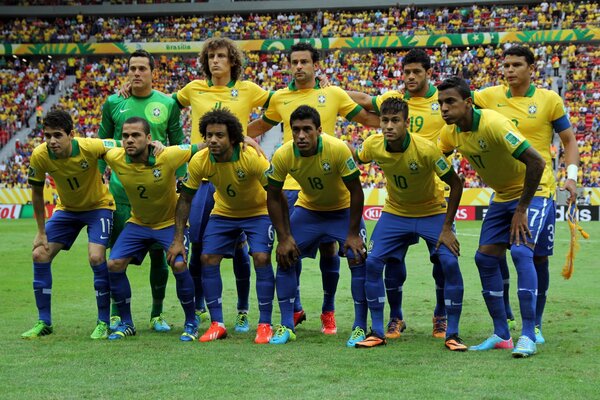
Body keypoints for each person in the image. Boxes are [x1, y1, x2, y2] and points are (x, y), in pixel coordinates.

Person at [249, 42, 379, 334]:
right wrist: (234, 135)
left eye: (304, 61)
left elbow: (364, 117)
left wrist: (395, 122)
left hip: (331, 181)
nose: (298, 66)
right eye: (293, 62)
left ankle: (328, 312)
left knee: (330, 252)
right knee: (288, 250)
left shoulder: (331, 94)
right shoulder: (280, 97)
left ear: (314, 65)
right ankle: (293, 310)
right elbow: (261, 125)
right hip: (294, 188)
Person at [473, 45, 579, 343]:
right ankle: (504, 325)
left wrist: (570, 177)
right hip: (504, 190)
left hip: (539, 190)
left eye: (516, 65)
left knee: (535, 257)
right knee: (489, 256)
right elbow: (455, 102)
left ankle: (534, 326)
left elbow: (569, 141)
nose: (509, 70)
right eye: (505, 65)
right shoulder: (487, 97)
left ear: (531, 67)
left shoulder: (549, 100)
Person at [437, 77, 547, 358]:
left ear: (468, 103)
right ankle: (502, 334)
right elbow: (434, 160)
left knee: (522, 254)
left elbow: (537, 161)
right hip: (501, 196)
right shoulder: (450, 134)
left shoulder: (493, 123)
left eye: (450, 102)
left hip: (534, 193)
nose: (444, 108)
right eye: (440, 103)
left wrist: (521, 209)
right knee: (484, 257)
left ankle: (528, 334)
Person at [348, 48, 451, 340]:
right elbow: (366, 102)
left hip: (436, 193)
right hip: (399, 199)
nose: (410, 77)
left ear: (429, 73)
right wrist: (331, 92)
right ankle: (395, 317)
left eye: (416, 72)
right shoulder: (395, 102)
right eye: (406, 72)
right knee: (391, 260)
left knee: (442, 261)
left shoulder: (442, 99)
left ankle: (441, 315)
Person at [172, 37, 272, 331]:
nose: (215, 61)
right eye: (211, 56)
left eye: (221, 56)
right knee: (201, 244)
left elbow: (279, 107)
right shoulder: (193, 88)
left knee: (242, 247)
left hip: (237, 172)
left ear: (232, 62)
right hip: (204, 175)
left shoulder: (248, 89)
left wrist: (249, 134)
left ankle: (242, 309)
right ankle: (202, 305)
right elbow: (165, 107)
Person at [168, 109, 274, 344]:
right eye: (208, 135)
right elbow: (185, 198)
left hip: (257, 212)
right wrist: (177, 239)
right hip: (224, 212)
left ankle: (265, 324)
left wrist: (284, 232)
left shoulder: (252, 157)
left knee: (261, 257)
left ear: (233, 137)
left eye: (219, 135)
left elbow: (273, 193)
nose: (213, 140)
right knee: (207, 258)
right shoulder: (200, 160)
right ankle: (218, 324)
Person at [265, 105, 367, 346]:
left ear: (319, 130)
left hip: (341, 211)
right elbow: (272, 195)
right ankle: (287, 325)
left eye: (307, 130)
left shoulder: (337, 149)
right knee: (285, 256)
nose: (301, 135)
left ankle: (360, 326)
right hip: (309, 210)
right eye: (296, 130)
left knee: (358, 256)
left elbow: (356, 192)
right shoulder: (283, 154)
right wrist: (284, 237)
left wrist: (352, 233)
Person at [99, 49, 184, 333]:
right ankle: (115, 314)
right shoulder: (113, 102)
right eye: (132, 68)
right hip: (121, 193)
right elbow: (102, 144)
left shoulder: (168, 103)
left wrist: (182, 184)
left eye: (142, 68)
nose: (136, 73)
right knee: (116, 254)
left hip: (160, 191)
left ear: (152, 72)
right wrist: (98, 178)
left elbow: (178, 142)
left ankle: (156, 314)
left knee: (162, 256)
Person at [23, 109, 116, 340]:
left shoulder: (89, 146)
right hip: (67, 211)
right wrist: (40, 232)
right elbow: (36, 193)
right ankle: (44, 321)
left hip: (98, 207)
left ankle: (103, 321)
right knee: (39, 254)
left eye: (57, 135)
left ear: (71, 134)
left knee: (96, 257)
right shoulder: (40, 155)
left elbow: (119, 145)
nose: (52, 141)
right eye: (47, 136)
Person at [103, 117, 199, 341]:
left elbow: (201, 147)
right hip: (139, 223)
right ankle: (127, 322)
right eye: (125, 136)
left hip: (168, 223)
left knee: (179, 263)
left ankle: (191, 322)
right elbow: (92, 146)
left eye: (135, 135)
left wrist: (242, 139)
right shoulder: (115, 156)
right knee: (114, 264)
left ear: (148, 139)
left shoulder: (167, 155)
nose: (129, 140)